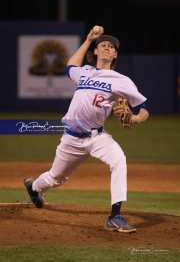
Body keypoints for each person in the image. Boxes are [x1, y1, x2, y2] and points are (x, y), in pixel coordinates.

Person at [24, 25, 149, 233]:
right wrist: (89, 39)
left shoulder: (122, 81)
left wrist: (135, 119)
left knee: (119, 160)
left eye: (111, 47)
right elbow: (69, 66)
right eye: (103, 45)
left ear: (115, 54)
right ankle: (34, 187)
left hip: (97, 136)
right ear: (96, 52)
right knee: (57, 177)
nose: (107, 48)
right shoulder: (85, 72)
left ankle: (115, 216)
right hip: (71, 138)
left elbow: (144, 109)